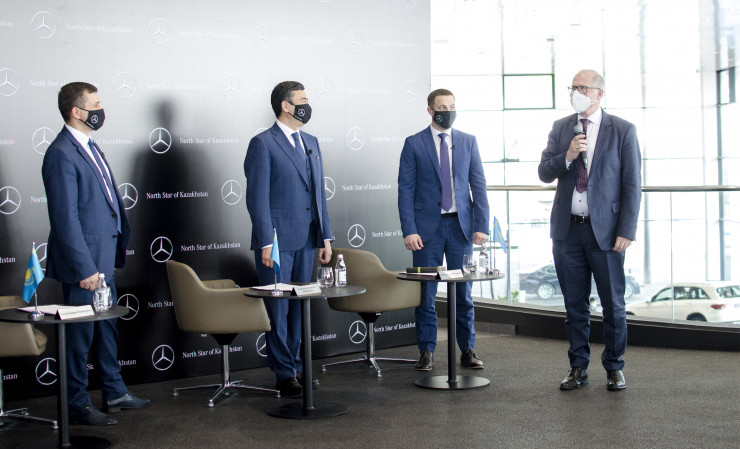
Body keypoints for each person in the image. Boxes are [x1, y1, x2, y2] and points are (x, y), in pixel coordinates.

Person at [42, 82, 150, 426]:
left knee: (106, 330)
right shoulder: (61, 153)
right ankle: (75, 402)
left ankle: (114, 392)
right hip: (84, 267)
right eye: (96, 104)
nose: (101, 111)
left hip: (103, 259)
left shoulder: (90, 146)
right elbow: (65, 219)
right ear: (77, 111)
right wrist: (85, 268)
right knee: (79, 337)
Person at [538, 69, 642, 392]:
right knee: (574, 306)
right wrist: (567, 156)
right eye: (572, 87)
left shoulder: (622, 130)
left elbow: (632, 184)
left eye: (582, 88)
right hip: (567, 232)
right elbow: (544, 172)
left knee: (613, 305)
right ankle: (578, 367)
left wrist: (626, 230)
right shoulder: (561, 128)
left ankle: (614, 367)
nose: (576, 93)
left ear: (599, 93)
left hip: (607, 234)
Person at [244, 81, 333, 397]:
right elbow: (257, 198)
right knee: (278, 309)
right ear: (285, 105)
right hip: (277, 243)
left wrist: (325, 237)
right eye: (302, 100)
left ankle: (296, 366)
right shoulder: (263, 143)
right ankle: (283, 373)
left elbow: (318, 194)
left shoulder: (311, 141)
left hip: (308, 239)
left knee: (299, 307)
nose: (307, 105)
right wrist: (265, 242)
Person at [398, 88, 490, 371]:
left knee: (463, 293)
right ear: (430, 110)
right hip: (427, 230)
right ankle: (426, 351)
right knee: (426, 294)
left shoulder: (468, 141)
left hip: (461, 227)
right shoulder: (414, 143)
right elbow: (405, 190)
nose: (447, 112)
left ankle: (468, 349)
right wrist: (409, 230)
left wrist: (482, 226)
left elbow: (479, 185)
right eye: (442, 107)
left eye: (451, 107)